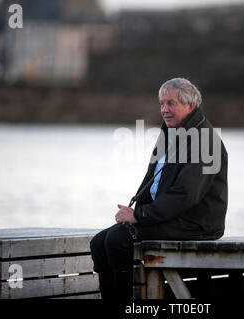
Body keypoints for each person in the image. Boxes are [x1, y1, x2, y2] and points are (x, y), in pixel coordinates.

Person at [90, 78, 228, 300]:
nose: (164, 110)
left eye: (171, 103)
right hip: (169, 218)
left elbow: (185, 195)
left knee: (117, 240)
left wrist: (140, 216)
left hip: (196, 224)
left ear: (190, 105)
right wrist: (133, 213)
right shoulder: (169, 136)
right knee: (98, 242)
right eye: (162, 104)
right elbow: (151, 183)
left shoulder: (206, 141)